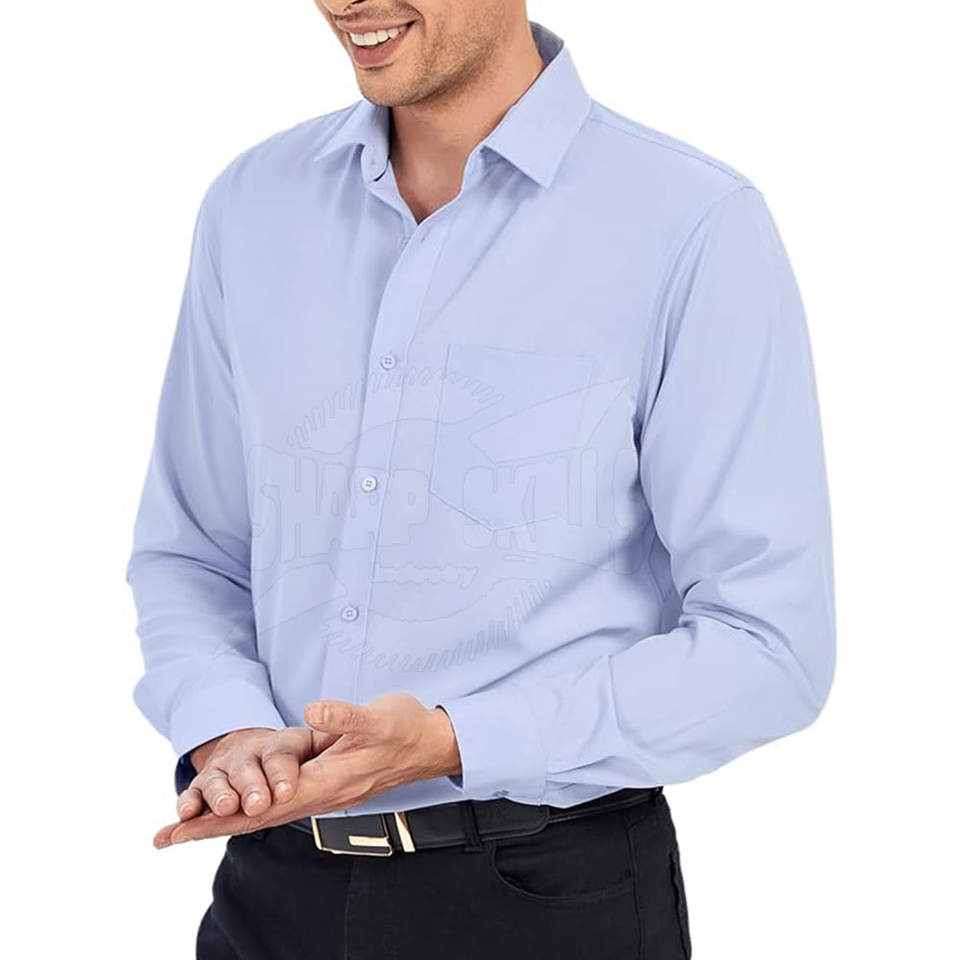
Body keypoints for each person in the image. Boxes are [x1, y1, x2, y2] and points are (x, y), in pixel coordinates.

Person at [127, 3, 836, 957]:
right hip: (270, 890)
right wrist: (228, 730)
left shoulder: (689, 224)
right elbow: (193, 551)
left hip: (543, 899)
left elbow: (769, 647)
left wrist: (456, 740)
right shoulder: (253, 205)